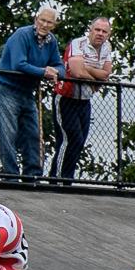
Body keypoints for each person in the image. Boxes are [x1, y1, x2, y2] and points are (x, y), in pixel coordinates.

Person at [0, 7, 63, 180]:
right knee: (8, 133)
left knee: (33, 134)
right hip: (8, 88)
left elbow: (60, 66)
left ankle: (32, 175)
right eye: (42, 20)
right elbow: (19, 64)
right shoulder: (22, 35)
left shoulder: (51, 41)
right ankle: (10, 175)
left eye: (49, 22)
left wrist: (55, 71)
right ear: (36, 19)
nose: (44, 25)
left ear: (54, 25)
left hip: (28, 91)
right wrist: (44, 72)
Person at [49, 17, 115, 180]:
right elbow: (76, 72)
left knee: (79, 141)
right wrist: (94, 80)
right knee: (70, 138)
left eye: (104, 31)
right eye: (97, 30)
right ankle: (56, 178)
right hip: (66, 97)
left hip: (84, 100)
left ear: (108, 34)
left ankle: (67, 179)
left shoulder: (106, 48)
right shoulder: (78, 44)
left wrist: (87, 68)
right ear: (90, 30)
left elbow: (106, 74)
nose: (100, 34)